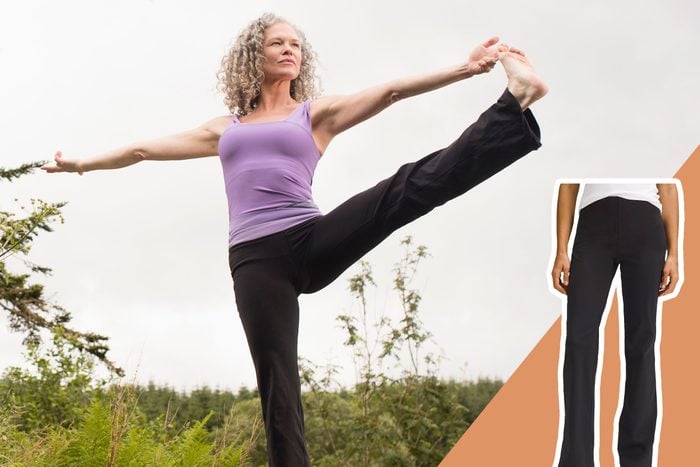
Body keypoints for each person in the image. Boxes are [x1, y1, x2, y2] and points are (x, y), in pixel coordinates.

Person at [42, 12, 548, 466]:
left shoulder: (315, 115)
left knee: (404, 190)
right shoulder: (226, 128)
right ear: (252, 57)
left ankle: (514, 105)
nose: (290, 50)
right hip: (255, 261)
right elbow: (140, 150)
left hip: (310, 237)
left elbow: (392, 91)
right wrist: (82, 164)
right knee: (277, 383)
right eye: (277, 43)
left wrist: (468, 69)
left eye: (296, 45)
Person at [552, 182, 681, 467]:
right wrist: (561, 249)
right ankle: (576, 460)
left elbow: (668, 189)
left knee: (641, 344)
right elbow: (569, 184)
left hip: (646, 222)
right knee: (578, 340)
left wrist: (673, 254)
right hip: (594, 222)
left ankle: (637, 459)